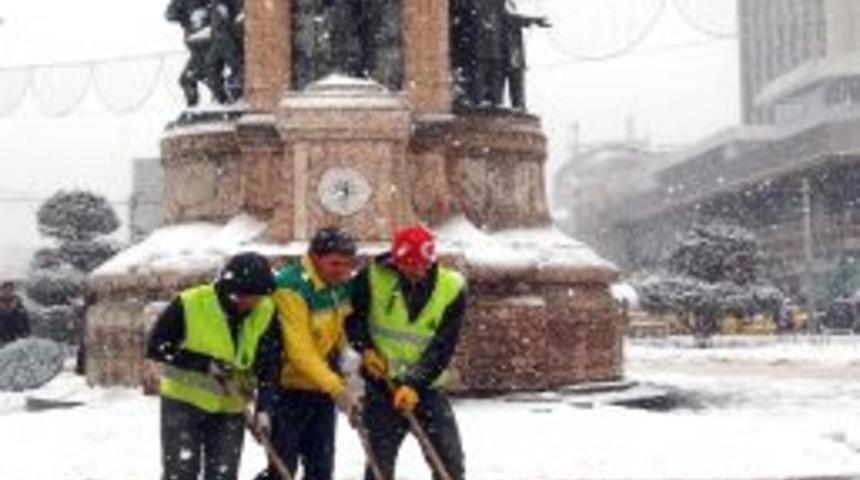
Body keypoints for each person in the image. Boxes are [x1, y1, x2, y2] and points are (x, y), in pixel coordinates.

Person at [346, 224, 468, 480]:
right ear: (396, 259)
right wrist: (365, 348)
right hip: (382, 386)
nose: (416, 271)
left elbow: (443, 346)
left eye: (422, 265)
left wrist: (414, 384)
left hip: (428, 388)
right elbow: (353, 320)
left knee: (450, 463)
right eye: (409, 264)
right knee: (379, 467)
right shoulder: (372, 278)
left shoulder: (451, 287)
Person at [146, 252, 282, 480]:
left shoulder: (265, 310)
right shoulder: (190, 303)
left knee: (223, 474)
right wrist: (203, 364)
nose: (252, 302)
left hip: (231, 406)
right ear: (229, 289)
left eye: (258, 296)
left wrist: (264, 409)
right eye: (246, 296)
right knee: (181, 472)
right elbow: (157, 348)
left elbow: (270, 364)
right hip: (184, 402)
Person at [255, 227, 361, 480]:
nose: (342, 271)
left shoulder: (339, 285)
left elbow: (341, 334)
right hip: (287, 390)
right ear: (314, 257)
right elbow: (300, 352)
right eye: (334, 263)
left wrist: (351, 377)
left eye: (348, 265)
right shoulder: (292, 286)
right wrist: (338, 389)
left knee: (321, 469)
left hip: (320, 389)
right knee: (283, 469)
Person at [0, 281, 30, 347]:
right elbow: (5, 316)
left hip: (16, 334)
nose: (8, 292)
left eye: (11, 290)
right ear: (2, 290)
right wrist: (11, 309)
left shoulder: (18, 303)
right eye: (6, 290)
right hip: (2, 334)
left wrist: (26, 333)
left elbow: (25, 319)